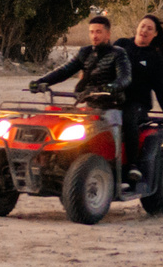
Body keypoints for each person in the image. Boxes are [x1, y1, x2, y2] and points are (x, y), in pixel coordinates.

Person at [31, 14, 137, 183]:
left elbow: (125, 77)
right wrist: (41, 82)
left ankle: (128, 167)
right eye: (92, 32)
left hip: (111, 105)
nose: (95, 35)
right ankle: (55, 161)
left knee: (112, 132)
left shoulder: (119, 54)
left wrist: (112, 87)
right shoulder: (85, 52)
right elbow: (64, 70)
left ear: (108, 34)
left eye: (99, 32)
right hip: (89, 105)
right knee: (59, 125)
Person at [119, 13, 163, 188]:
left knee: (128, 118)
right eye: (142, 26)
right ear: (137, 27)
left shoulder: (155, 57)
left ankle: (132, 165)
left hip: (137, 104)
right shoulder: (121, 45)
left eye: (149, 29)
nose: (144, 30)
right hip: (112, 99)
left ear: (155, 35)